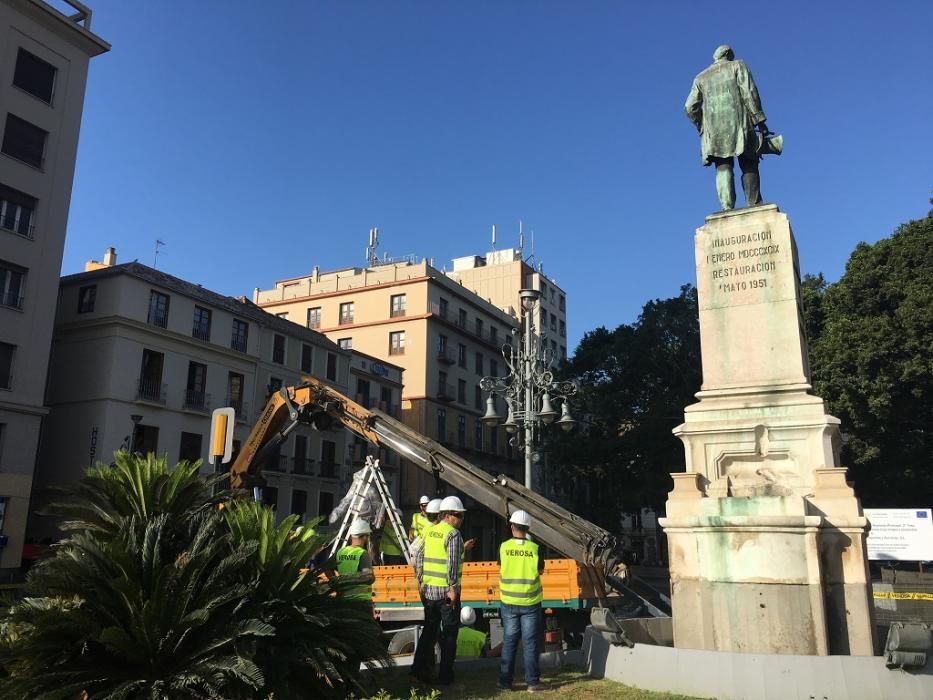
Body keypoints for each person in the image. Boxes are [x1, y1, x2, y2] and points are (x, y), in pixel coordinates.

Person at [685, 45, 775, 211]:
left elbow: (690, 107)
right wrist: (760, 121)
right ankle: (754, 204)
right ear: (728, 55)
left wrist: (703, 126)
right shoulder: (737, 65)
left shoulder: (700, 78)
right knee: (748, 161)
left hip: (715, 131)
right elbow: (749, 92)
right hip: (740, 124)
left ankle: (726, 208)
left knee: (722, 165)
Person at [410, 495, 467, 686]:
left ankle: (418, 671)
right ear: (449, 516)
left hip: (429, 592)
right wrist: (452, 588)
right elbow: (451, 563)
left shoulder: (430, 531)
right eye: (460, 516)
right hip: (445, 594)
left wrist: (420, 579)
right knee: (450, 635)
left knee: (429, 632)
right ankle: (445, 677)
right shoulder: (452, 534)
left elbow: (417, 554)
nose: (461, 520)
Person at [497, 510, 545, 692]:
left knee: (509, 641)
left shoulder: (503, 547)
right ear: (528, 529)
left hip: (508, 602)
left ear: (512, 527)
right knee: (530, 642)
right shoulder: (535, 549)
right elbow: (540, 571)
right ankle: (532, 683)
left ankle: (505, 683)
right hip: (530, 602)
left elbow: (500, 567)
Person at [334, 518, 375, 605]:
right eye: (367, 536)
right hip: (360, 600)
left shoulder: (340, 552)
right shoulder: (362, 553)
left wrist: (336, 582)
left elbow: (327, 568)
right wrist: (370, 560)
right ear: (364, 536)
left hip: (343, 598)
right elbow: (369, 578)